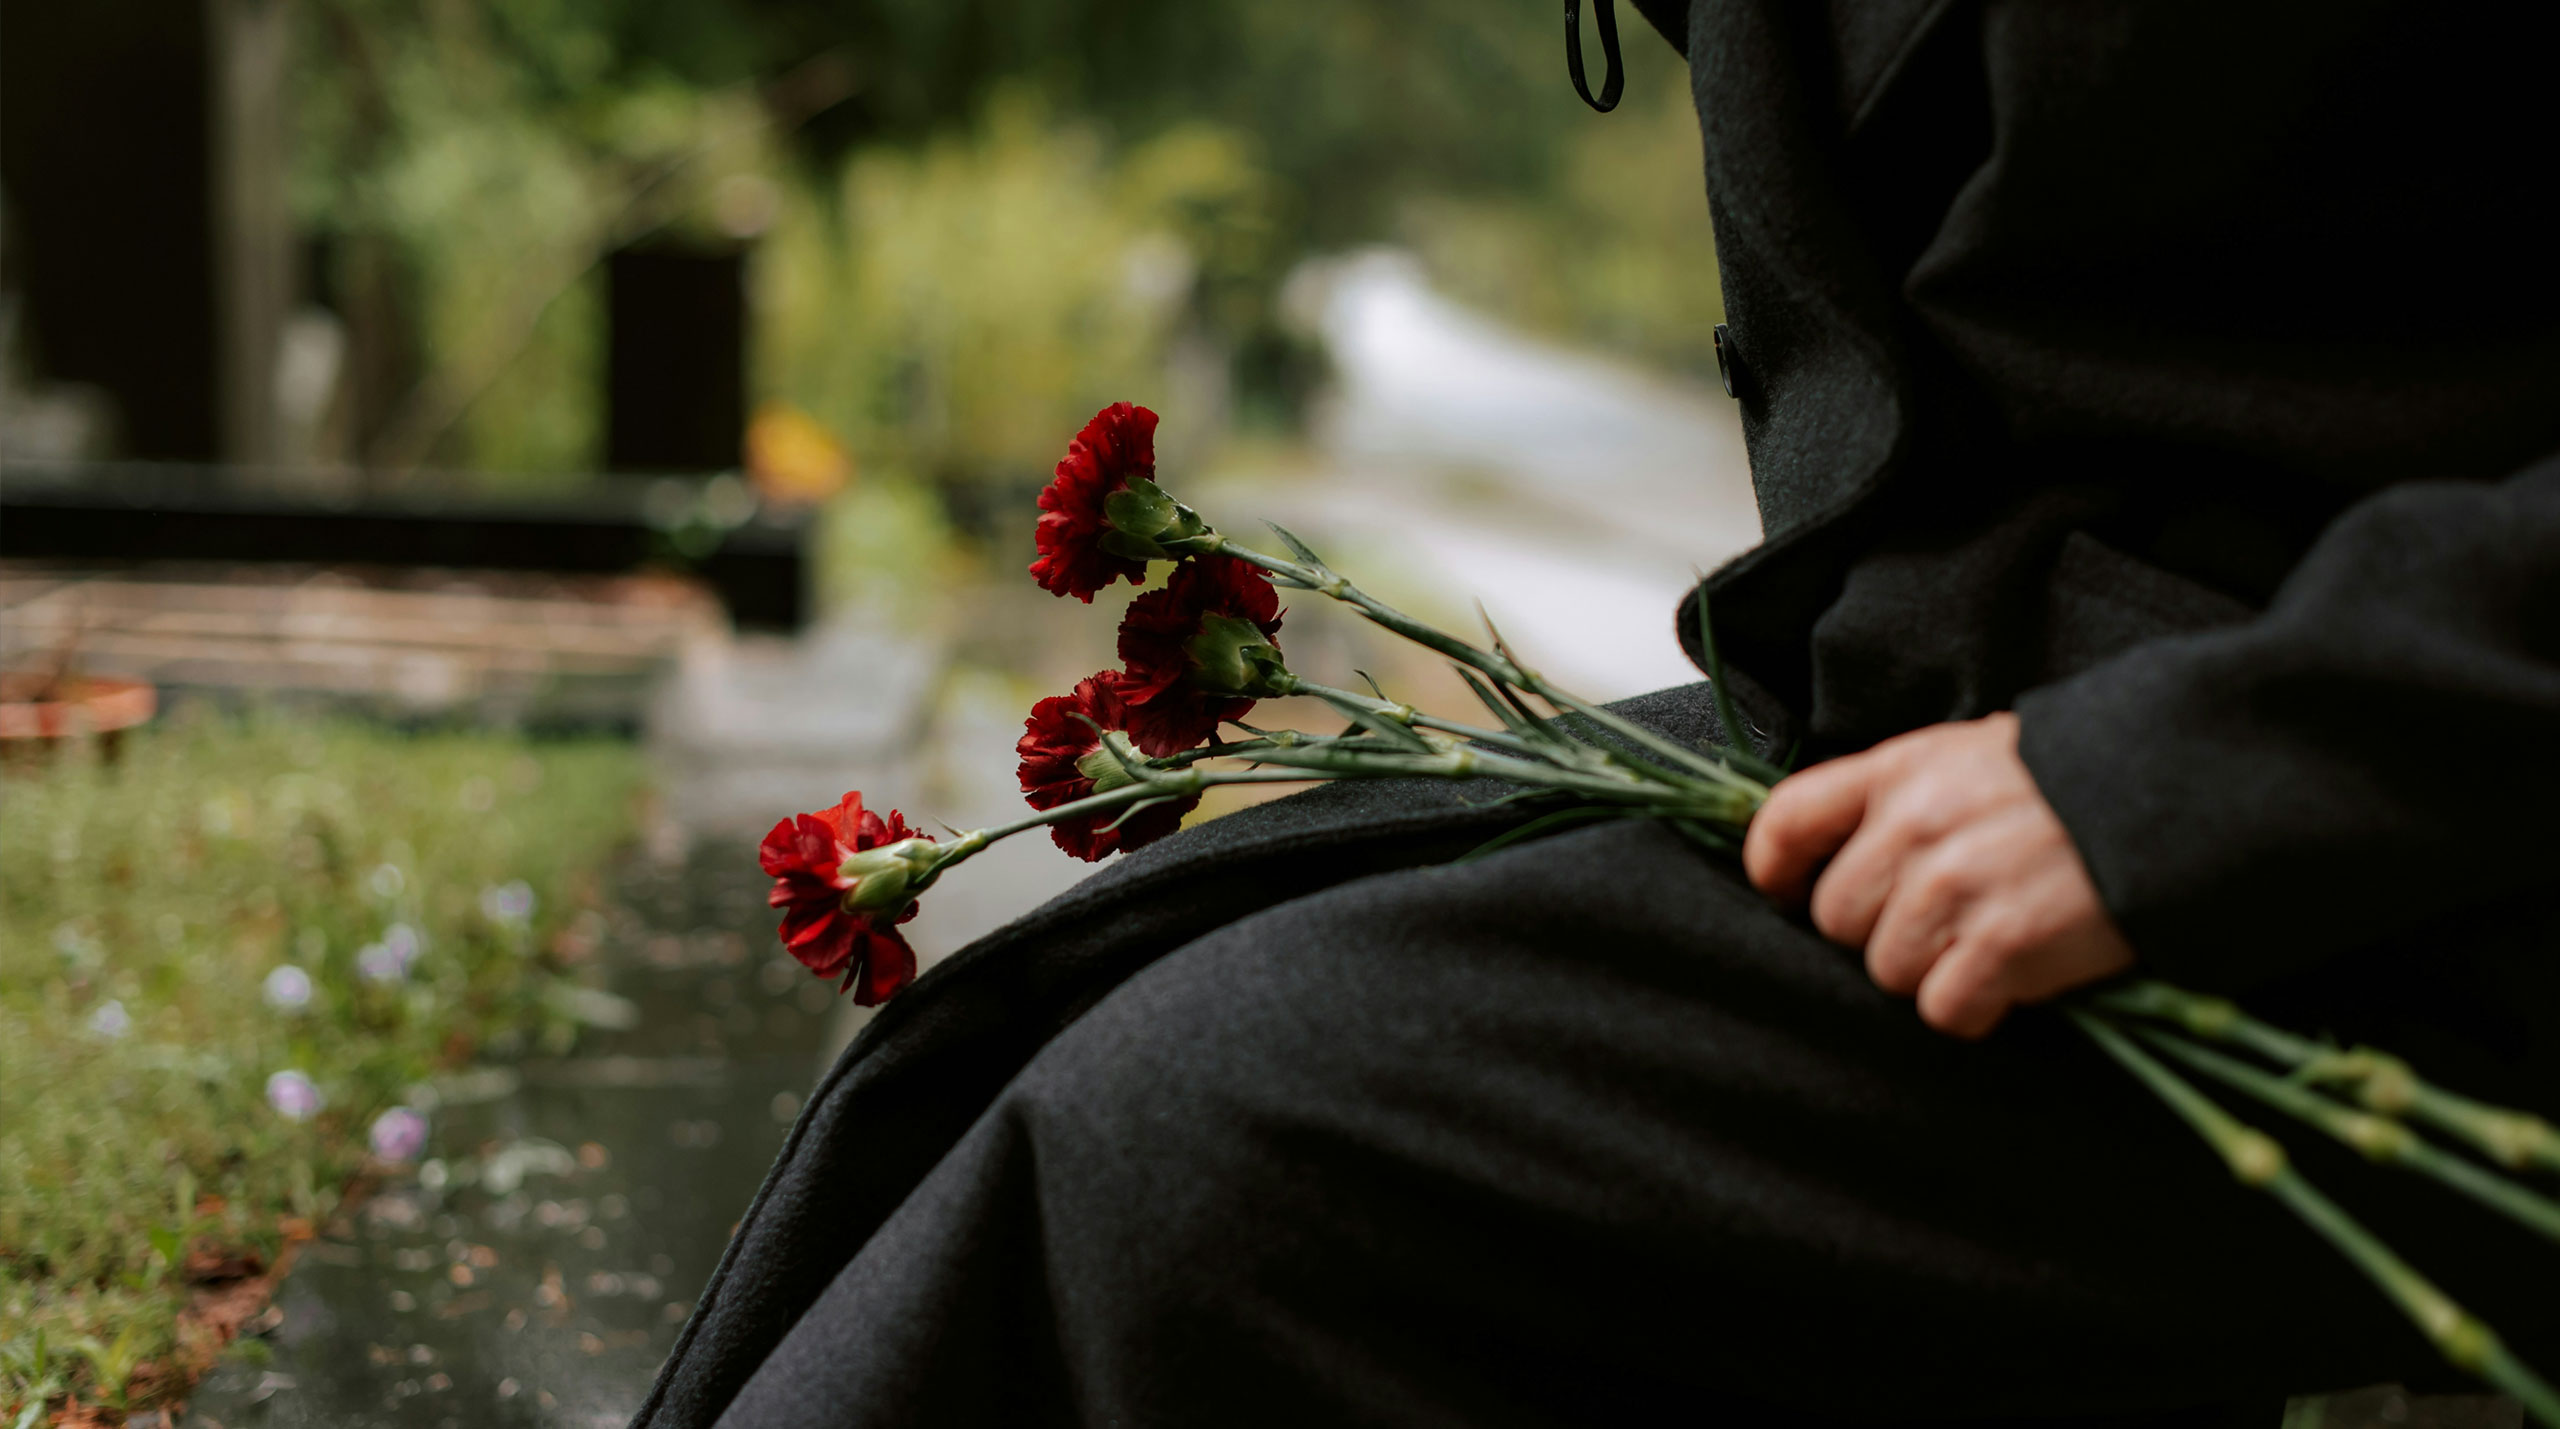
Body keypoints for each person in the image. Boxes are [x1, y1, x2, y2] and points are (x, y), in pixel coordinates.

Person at [638, 3, 2560, 1423]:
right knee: (1041, 1025)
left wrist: (2233, 766)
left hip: (2411, 830)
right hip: (1946, 733)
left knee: (1214, 1154)